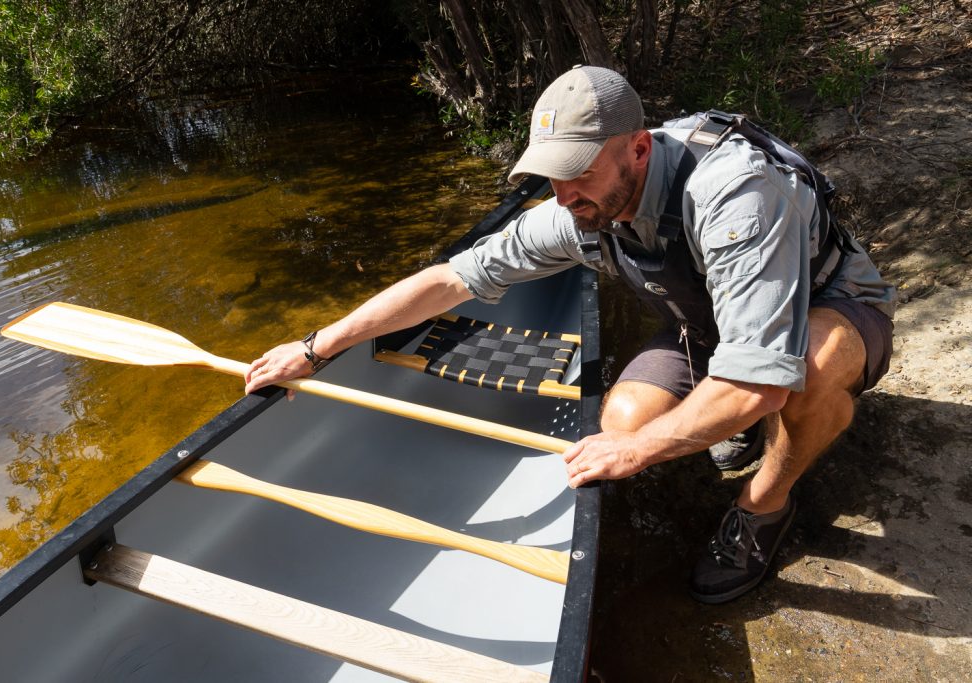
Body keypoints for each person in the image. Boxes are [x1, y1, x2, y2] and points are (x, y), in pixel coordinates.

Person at [244, 65, 895, 604]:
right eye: (553, 173)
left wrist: (639, 453)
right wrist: (316, 346)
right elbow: (449, 281)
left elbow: (759, 373)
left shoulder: (733, 193)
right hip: (714, 323)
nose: (563, 195)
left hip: (832, 305)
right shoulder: (576, 207)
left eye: (579, 171)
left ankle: (761, 509)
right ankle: (733, 426)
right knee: (624, 416)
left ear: (639, 148)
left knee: (794, 376)